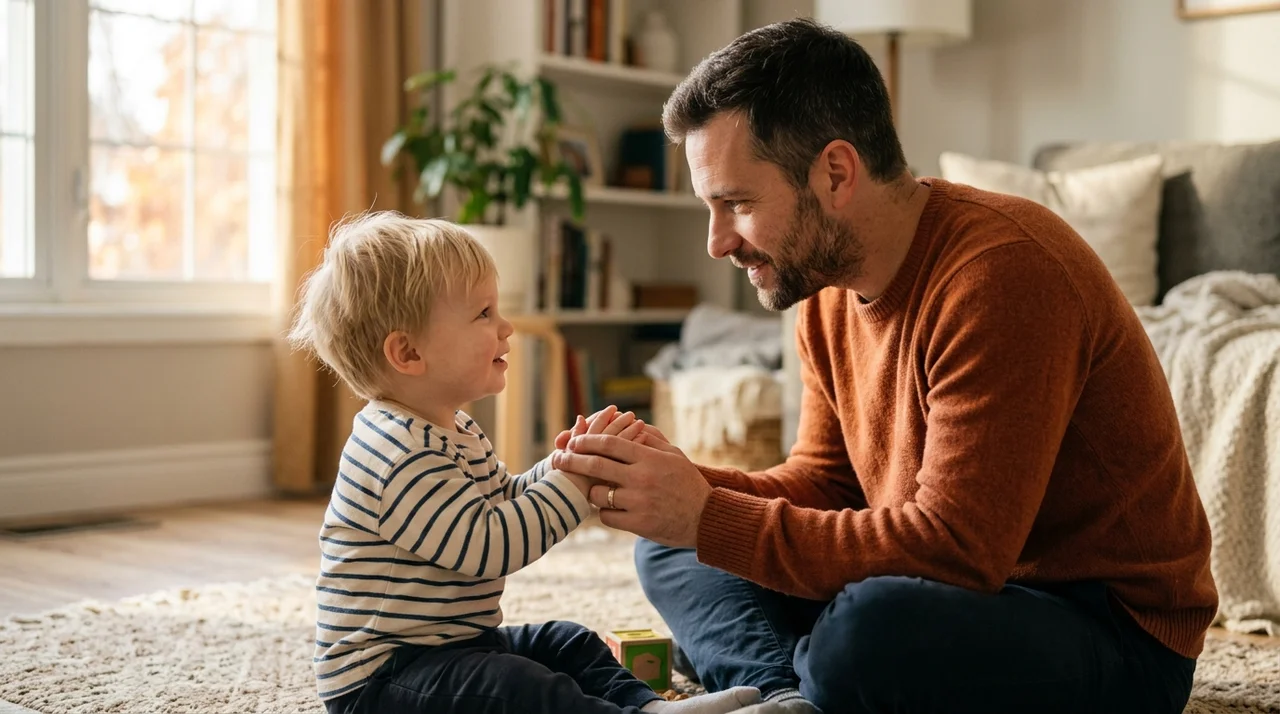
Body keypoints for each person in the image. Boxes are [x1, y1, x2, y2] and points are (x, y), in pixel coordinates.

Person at [551, 17, 1217, 714]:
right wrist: (676, 489)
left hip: (1101, 628)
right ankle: (785, 696)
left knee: (866, 630)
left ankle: (776, 667)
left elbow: (959, 550)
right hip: (945, 593)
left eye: (738, 204)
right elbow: (826, 481)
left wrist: (708, 514)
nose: (718, 243)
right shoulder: (821, 286)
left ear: (836, 172)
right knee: (672, 549)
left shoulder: (1003, 272)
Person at [287, 212, 762, 714]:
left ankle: (646, 706)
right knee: (509, 686)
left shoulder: (453, 429)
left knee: (566, 641)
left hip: (453, 648)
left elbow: (502, 499)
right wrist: (572, 484)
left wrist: (566, 462)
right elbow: (489, 546)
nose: (507, 327)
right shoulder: (394, 453)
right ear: (408, 352)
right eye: (484, 314)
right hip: (383, 682)